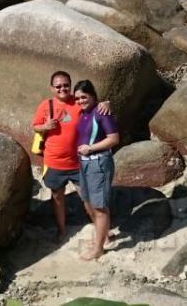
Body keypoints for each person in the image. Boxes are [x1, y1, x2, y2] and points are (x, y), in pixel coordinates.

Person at [30, 71, 111, 242]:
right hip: (54, 162)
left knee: (87, 198)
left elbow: (95, 106)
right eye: (58, 86)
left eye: (66, 85)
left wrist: (107, 103)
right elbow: (35, 126)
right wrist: (45, 126)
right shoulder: (46, 105)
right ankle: (61, 230)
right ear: (52, 88)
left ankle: (101, 228)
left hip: (78, 163)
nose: (63, 88)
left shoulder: (78, 101)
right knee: (58, 198)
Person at [73, 79, 119, 261]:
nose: (80, 101)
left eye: (84, 97)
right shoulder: (83, 112)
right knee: (87, 203)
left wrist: (91, 148)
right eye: (77, 98)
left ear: (93, 96)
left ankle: (98, 248)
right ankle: (105, 236)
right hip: (83, 163)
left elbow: (114, 139)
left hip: (98, 163)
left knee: (99, 207)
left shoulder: (101, 113)